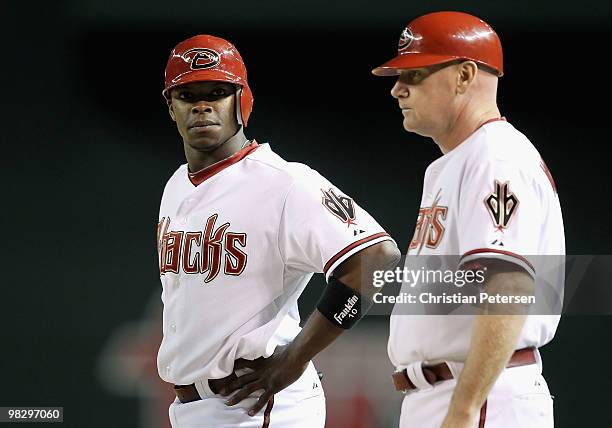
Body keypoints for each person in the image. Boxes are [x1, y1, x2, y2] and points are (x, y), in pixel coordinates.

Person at [156, 34, 400, 428]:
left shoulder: (282, 182)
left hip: (253, 406)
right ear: (171, 107)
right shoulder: (175, 186)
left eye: (217, 91)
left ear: (241, 100)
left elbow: (376, 259)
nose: (202, 104)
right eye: (187, 94)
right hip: (193, 407)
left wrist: (295, 356)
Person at [371, 11, 565, 428]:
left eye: (415, 75)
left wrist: (464, 408)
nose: (397, 90)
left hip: (480, 397)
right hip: (450, 393)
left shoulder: (494, 156)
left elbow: (509, 285)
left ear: (464, 75)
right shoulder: (457, 162)